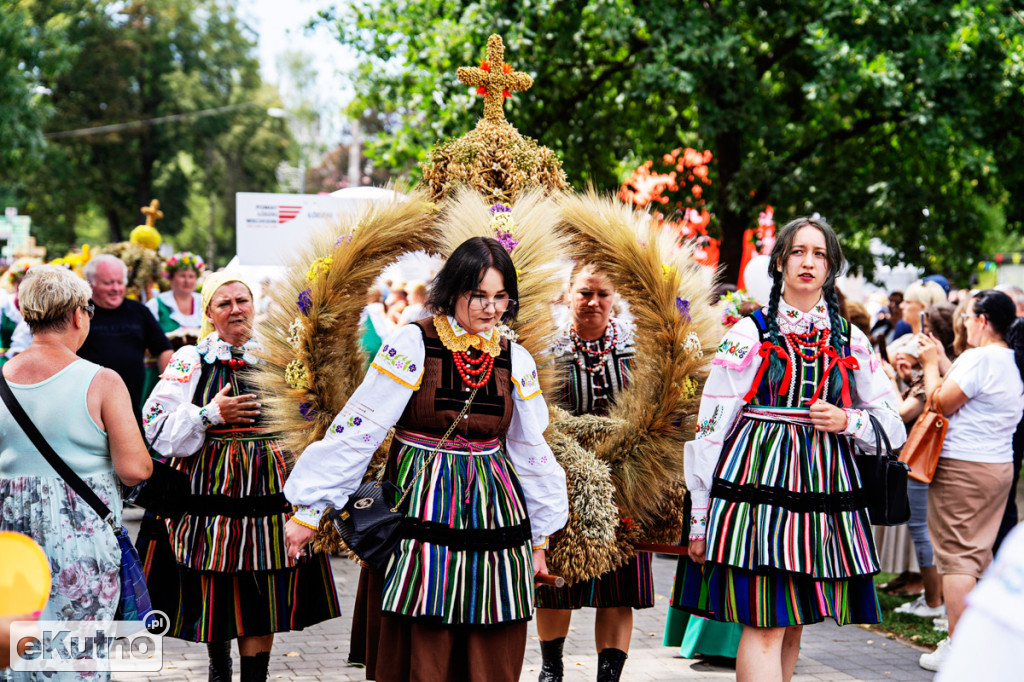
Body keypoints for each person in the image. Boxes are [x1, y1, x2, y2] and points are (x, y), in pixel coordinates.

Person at [284, 237, 569, 682]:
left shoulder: (517, 360)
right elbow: (362, 426)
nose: (491, 309)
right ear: (453, 291)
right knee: (423, 616)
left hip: (494, 507)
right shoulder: (414, 343)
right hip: (422, 499)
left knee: (491, 618)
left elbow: (531, 451)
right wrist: (308, 509)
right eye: (479, 296)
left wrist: (539, 539)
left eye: (500, 298)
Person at [674, 217, 906, 682]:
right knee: (764, 623)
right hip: (757, 493)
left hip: (823, 495)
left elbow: (893, 425)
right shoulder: (748, 333)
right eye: (798, 251)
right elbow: (711, 426)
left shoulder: (851, 339)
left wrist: (849, 420)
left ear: (831, 267)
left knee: (793, 624)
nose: (808, 262)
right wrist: (699, 517)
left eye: (819, 254)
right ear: (780, 262)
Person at [139, 273, 340, 682]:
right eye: (224, 303)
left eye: (242, 300)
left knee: (261, 585)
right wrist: (209, 414)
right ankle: (218, 668)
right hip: (207, 490)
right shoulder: (190, 359)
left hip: (268, 488)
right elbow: (154, 425)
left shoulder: (279, 357)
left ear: (254, 305)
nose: (236, 309)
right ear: (210, 314)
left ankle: (255, 677)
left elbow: (307, 417)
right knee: (215, 581)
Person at [0, 265, 152, 681]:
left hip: (11, 549)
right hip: (81, 547)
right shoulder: (102, 381)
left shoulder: (1, 380)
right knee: (78, 662)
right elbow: (135, 468)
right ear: (79, 315)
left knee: (17, 658)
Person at [534, 263, 649, 682]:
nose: (594, 303)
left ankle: (608, 677)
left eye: (602, 293)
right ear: (568, 295)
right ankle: (551, 669)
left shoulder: (638, 348)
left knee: (619, 589)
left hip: (625, 478)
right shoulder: (547, 348)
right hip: (563, 475)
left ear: (614, 296)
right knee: (558, 578)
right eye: (584, 293)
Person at [916, 289, 1024, 672]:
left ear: (981, 321)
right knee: (978, 554)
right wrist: (946, 362)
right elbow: (974, 394)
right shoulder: (1013, 359)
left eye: (967, 318)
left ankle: (958, 649)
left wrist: (930, 364)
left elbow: (939, 402)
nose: (962, 322)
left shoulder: (979, 358)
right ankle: (980, 644)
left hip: (962, 466)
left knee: (957, 559)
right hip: (998, 468)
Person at [78, 254, 173, 417]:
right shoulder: (80, 312)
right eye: (108, 283)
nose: (115, 288)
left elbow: (163, 349)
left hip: (131, 405)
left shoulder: (139, 311)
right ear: (90, 284)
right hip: (87, 405)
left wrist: (170, 387)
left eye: (120, 282)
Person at [143, 252, 205, 398]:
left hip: (198, 374)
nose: (187, 281)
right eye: (182, 276)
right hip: (159, 373)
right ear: (170, 278)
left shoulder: (203, 303)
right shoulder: (156, 305)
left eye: (191, 276)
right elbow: (143, 345)